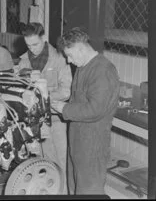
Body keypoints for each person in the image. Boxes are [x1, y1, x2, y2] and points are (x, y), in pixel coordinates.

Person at [53, 28, 120, 195]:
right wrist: (58, 106)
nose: (68, 61)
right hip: (77, 138)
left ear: (81, 49)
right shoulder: (83, 66)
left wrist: (64, 108)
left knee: (90, 189)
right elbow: (79, 101)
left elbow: (95, 109)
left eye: (70, 55)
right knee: (75, 185)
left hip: (92, 142)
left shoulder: (103, 70)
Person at [16, 22, 72, 193]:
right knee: (39, 160)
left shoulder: (59, 58)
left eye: (35, 44)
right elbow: (18, 90)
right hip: (33, 121)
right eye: (28, 45)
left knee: (60, 161)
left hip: (55, 119)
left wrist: (42, 94)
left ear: (43, 38)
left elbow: (66, 91)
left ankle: (63, 193)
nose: (32, 49)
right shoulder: (23, 61)